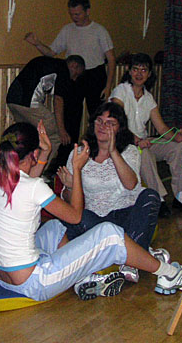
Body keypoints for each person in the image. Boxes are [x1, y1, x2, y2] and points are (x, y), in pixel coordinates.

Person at [0, 121, 182, 302]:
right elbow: (75, 216)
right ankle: (169, 274)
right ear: (33, 154)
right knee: (110, 234)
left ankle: (82, 276)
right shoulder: (35, 188)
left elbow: (28, 182)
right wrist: (77, 171)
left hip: (4, 277)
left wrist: (44, 153)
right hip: (34, 282)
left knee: (56, 227)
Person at [58, 101, 164, 284]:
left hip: (125, 216)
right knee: (77, 219)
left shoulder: (130, 151)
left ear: (120, 128)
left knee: (151, 196)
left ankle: (131, 260)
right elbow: (69, 202)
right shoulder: (79, 153)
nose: (103, 126)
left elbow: (131, 184)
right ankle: (139, 253)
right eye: (99, 121)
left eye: (110, 123)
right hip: (95, 221)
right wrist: (70, 186)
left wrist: (113, 151)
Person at [109, 53, 182, 217]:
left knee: (176, 146)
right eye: (136, 69)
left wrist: (176, 136)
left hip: (143, 141)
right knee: (145, 153)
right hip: (124, 143)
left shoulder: (148, 98)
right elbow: (116, 122)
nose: (139, 74)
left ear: (149, 74)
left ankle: (180, 196)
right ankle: (158, 199)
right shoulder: (120, 91)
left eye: (143, 70)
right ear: (129, 71)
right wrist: (136, 140)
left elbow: (162, 128)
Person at [24, 0, 116, 132]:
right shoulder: (67, 30)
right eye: (72, 14)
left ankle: (99, 143)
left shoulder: (99, 31)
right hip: (73, 76)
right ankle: (70, 145)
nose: (74, 17)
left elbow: (111, 59)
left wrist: (108, 86)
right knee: (71, 117)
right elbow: (51, 52)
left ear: (87, 11)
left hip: (95, 75)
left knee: (98, 116)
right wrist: (37, 44)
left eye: (78, 14)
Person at [6, 55, 85, 169]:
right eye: (76, 74)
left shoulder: (49, 63)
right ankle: (38, 171)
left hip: (12, 100)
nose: (74, 79)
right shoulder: (63, 70)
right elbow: (58, 100)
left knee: (27, 135)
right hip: (28, 102)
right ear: (74, 65)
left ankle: (19, 169)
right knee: (55, 135)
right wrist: (62, 130)